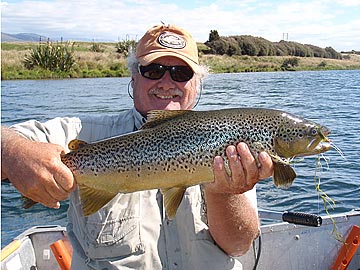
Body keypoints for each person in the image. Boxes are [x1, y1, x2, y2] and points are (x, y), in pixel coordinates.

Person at [1, 24, 273, 269]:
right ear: (133, 77)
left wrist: (225, 194)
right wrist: (12, 152)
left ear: (197, 82)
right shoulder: (87, 132)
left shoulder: (229, 143)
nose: (167, 83)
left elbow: (238, 247)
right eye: (154, 71)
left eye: (181, 73)